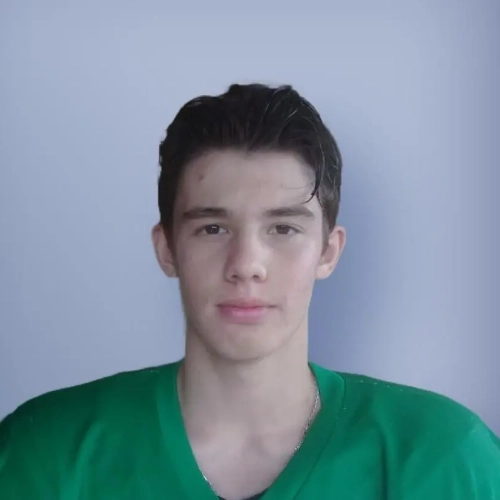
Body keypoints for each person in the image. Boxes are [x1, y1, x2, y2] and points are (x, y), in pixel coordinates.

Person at [0, 83, 499, 500]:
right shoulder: (46, 451)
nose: (246, 266)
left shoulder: (445, 456)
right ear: (167, 249)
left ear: (328, 252)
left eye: (283, 229)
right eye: (212, 229)